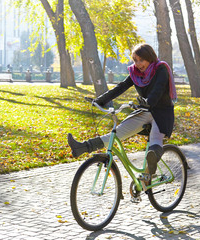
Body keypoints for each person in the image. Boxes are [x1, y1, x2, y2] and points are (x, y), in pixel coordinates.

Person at [67, 43, 177, 177]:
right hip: (144, 110)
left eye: (141, 60)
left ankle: (152, 162)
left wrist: (148, 102)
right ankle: (83, 147)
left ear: (150, 58)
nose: (138, 64)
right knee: (116, 134)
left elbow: (158, 90)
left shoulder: (161, 69)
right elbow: (122, 86)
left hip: (162, 113)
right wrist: (100, 100)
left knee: (155, 139)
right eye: (135, 60)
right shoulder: (136, 73)